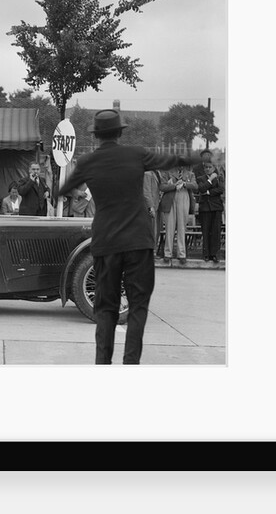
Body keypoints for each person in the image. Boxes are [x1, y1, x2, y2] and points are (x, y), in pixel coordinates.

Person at [59, 109, 193, 365]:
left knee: (105, 308)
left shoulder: (88, 162)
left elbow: (64, 189)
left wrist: (68, 191)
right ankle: (131, 362)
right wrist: (195, 157)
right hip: (138, 241)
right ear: (120, 132)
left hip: (107, 242)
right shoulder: (136, 154)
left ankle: (103, 363)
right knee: (138, 306)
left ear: (96, 135)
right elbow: (169, 159)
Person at [158, 165, 198, 264]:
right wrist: (174, 185)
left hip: (184, 197)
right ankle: (168, 253)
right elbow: (162, 186)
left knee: (182, 227)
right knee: (169, 227)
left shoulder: (190, 174)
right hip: (170, 198)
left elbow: (195, 186)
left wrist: (184, 184)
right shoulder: (167, 173)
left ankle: (182, 254)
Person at [194, 161, 224, 263]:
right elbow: (201, 189)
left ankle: (214, 254)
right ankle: (206, 254)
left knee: (215, 232)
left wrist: (208, 192)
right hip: (205, 208)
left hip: (216, 208)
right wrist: (210, 180)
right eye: (206, 167)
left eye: (210, 167)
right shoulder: (200, 178)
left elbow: (221, 189)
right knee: (206, 231)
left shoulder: (219, 178)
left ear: (213, 168)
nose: (207, 169)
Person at [142, 170, 162, 253]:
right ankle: (150, 251)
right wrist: (150, 207)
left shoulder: (158, 173)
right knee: (151, 230)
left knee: (157, 229)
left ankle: (154, 249)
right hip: (151, 206)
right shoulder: (147, 174)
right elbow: (146, 192)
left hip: (158, 204)